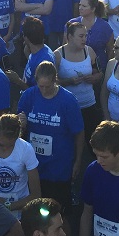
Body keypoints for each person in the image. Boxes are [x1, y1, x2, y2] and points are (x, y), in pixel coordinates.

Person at [16, 62, 84, 225]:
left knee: (60, 214)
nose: (44, 90)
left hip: (58, 168)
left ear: (55, 80)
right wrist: (20, 124)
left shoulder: (68, 101)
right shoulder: (28, 96)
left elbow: (79, 133)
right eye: (41, 86)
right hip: (33, 167)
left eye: (48, 86)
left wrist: (78, 161)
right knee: (35, 213)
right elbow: (17, 130)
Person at [54, 22, 103, 144]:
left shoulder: (89, 51)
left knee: (92, 140)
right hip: (67, 106)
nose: (84, 39)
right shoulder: (58, 55)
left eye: (86, 36)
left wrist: (94, 78)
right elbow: (52, 82)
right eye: (81, 36)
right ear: (69, 37)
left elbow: (100, 73)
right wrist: (68, 81)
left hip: (88, 104)